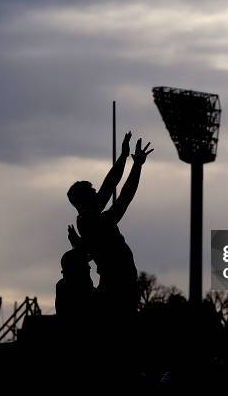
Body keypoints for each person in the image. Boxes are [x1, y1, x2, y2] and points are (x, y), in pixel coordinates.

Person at [67, 132, 153, 320]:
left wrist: (128, 160)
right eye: (92, 192)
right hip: (118, 283)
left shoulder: (93, 218)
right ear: (83, 202)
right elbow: (118, 193)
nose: (98, 193)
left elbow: (114, 188)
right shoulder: (90, 220)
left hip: (120, 280)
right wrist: (134, 164)